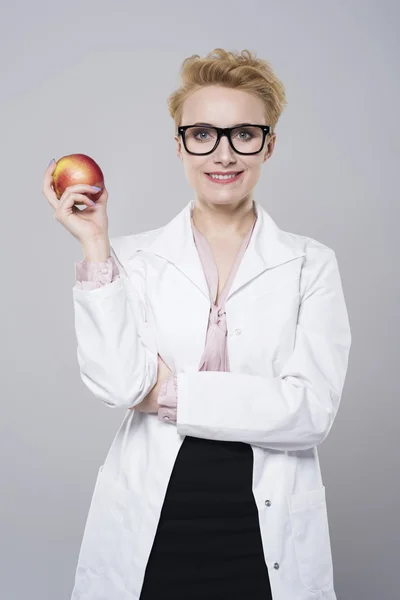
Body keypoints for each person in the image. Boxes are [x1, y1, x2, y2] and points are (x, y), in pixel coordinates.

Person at [42, 48, 352, 600]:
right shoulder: (130, 260)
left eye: (244, 134)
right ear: (181, 145)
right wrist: (95, 244)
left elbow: (311, 412)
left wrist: (171, 391)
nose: (223, 153)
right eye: (203, 134)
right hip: (153, 525)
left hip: (264, 530)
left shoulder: (311, 262)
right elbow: (119, 385)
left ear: (269, 144)